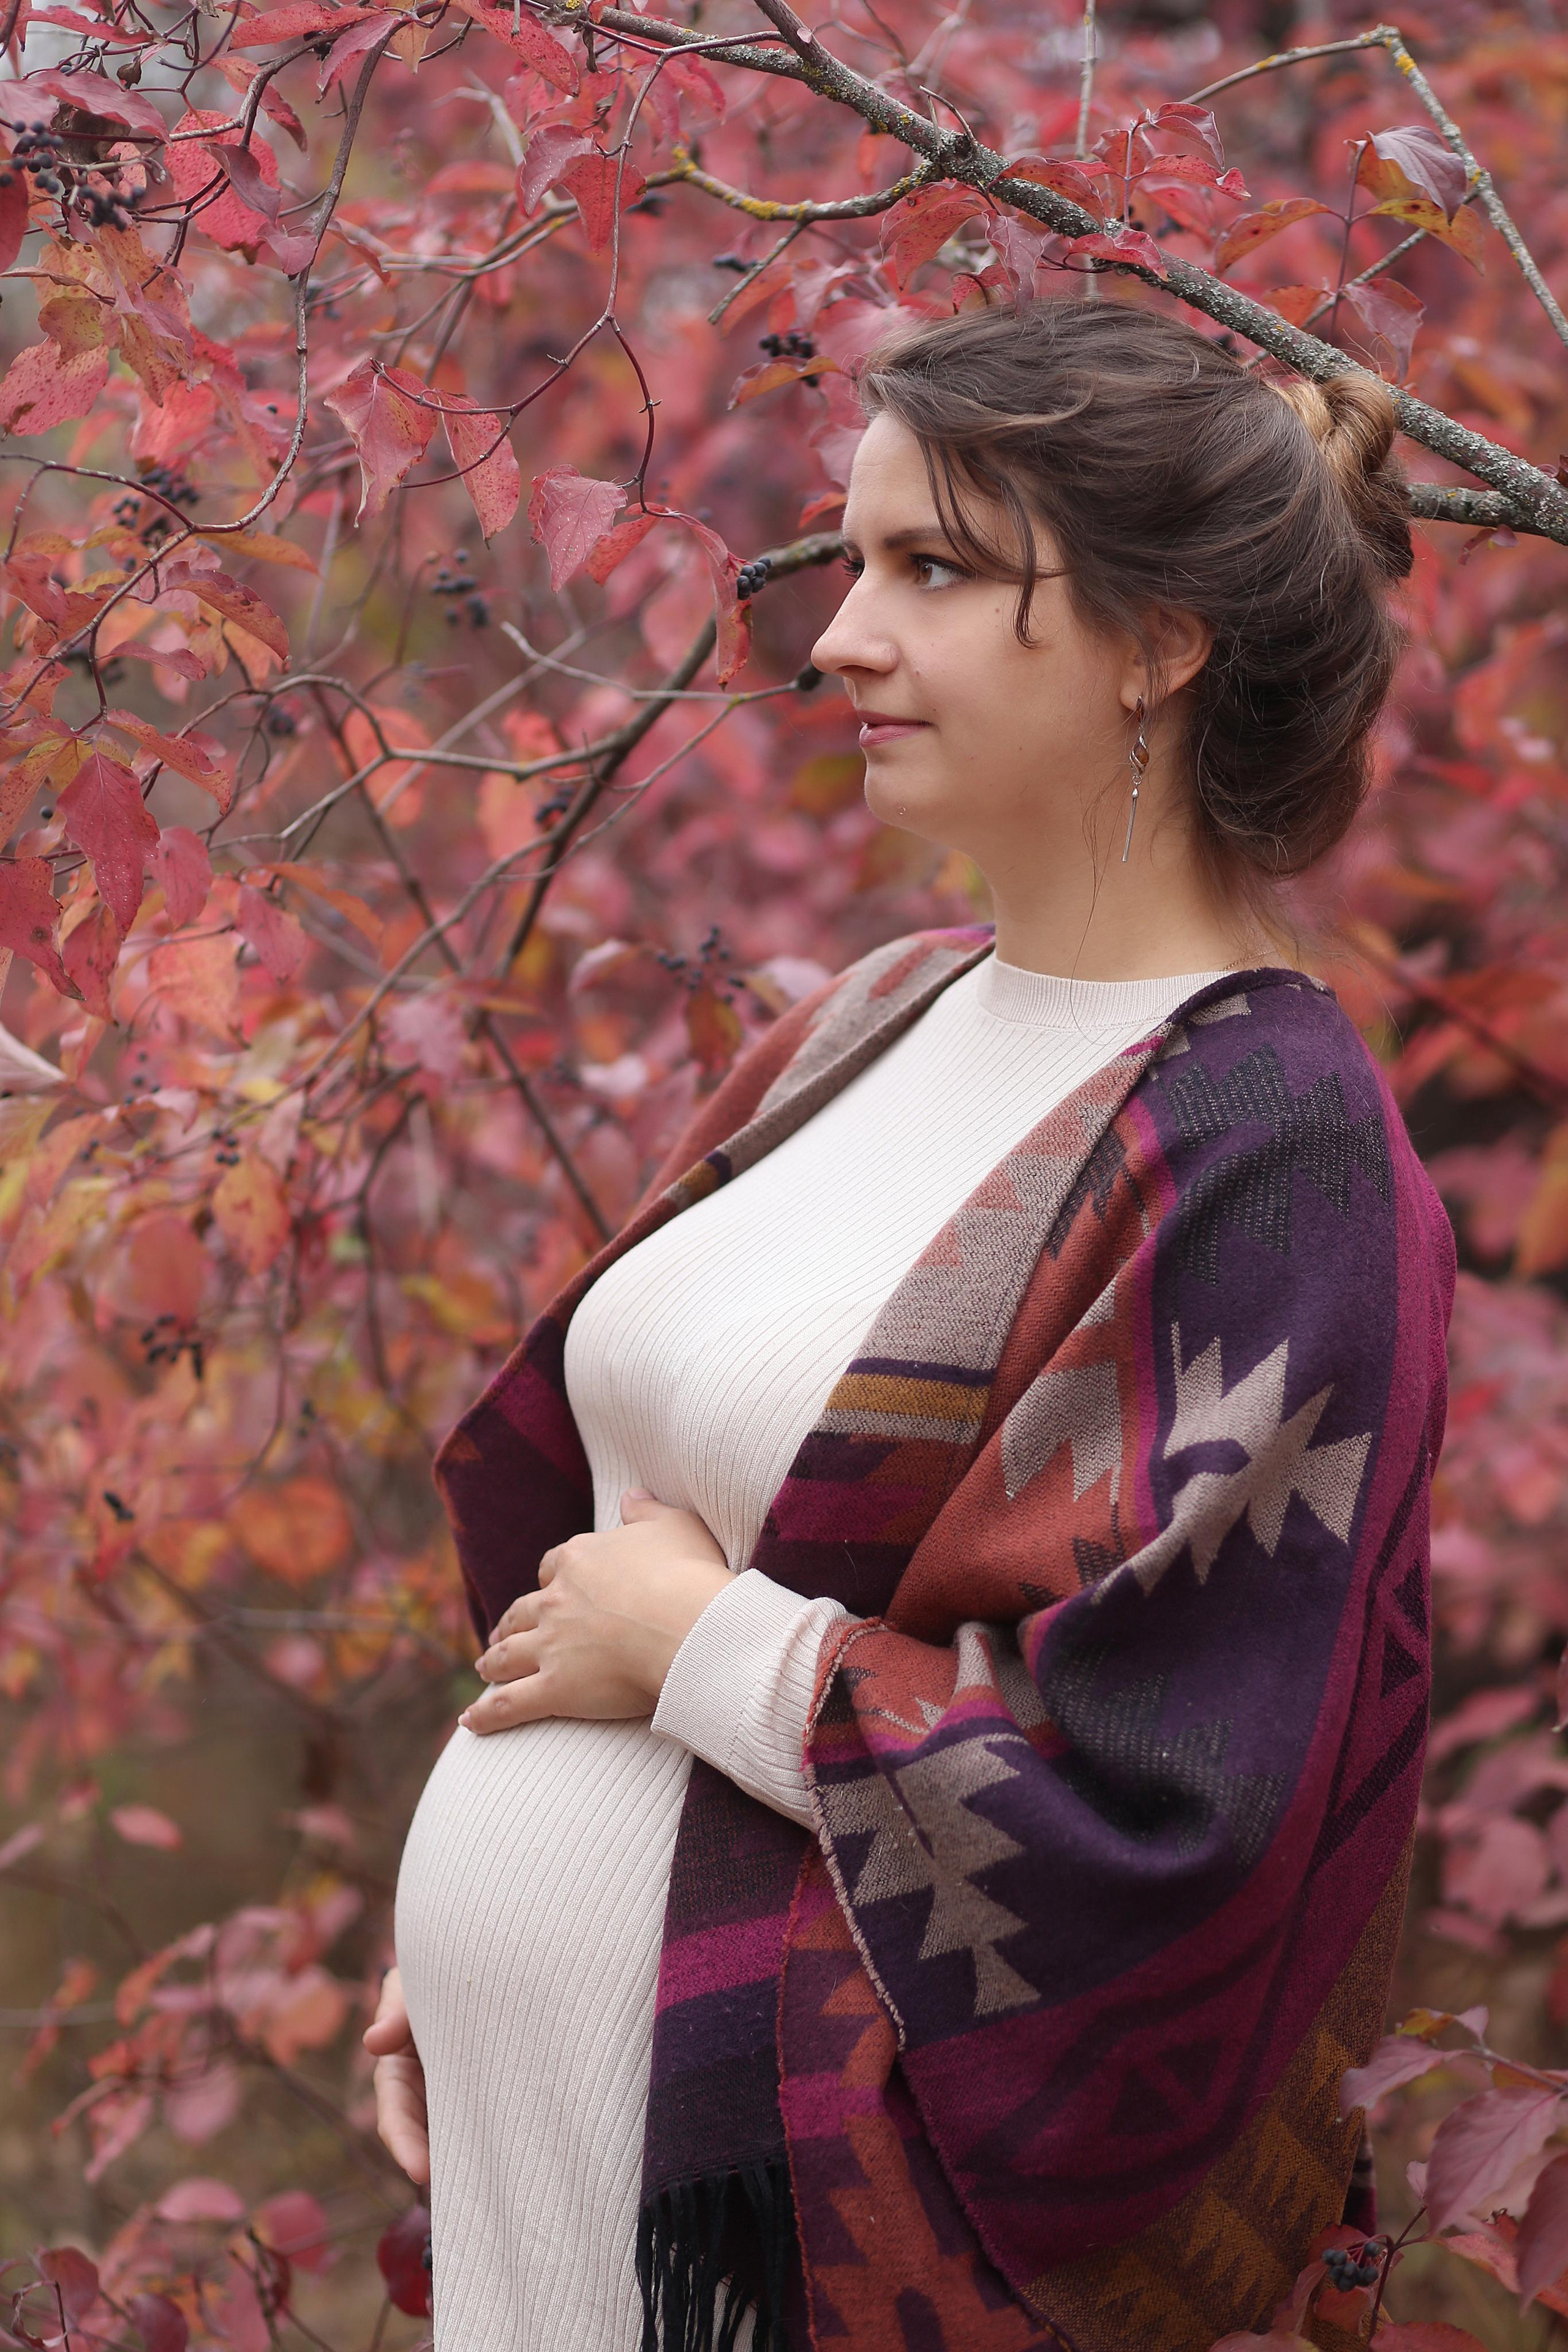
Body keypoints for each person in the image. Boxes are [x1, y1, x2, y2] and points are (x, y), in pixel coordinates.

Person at [366, 296, 1455, 2352]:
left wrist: (706, 1652)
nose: (839, 635)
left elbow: (1176, 1822)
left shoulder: (1278, 1150)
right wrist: (475, 1925)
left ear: (1158, 642)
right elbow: (627, 1525)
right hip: (562, 2178)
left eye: (933, 569)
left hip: (829, 2251)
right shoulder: (868, 1020)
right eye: (853, 558)